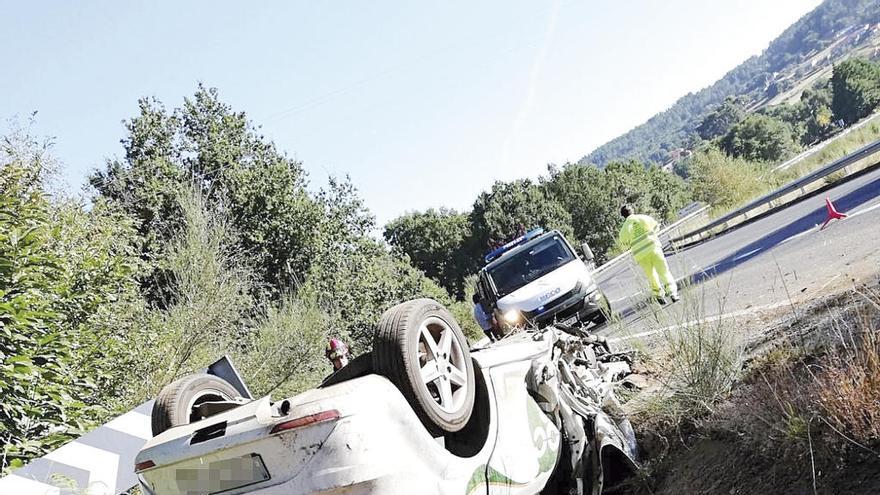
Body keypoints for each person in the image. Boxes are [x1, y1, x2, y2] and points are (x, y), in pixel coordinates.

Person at [617, 205, 679, 304]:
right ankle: (672, 293)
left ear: (623, 216)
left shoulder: (624, 229)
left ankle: (658, 295)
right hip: (654, 248)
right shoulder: (644, 217)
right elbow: (656, 228)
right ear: (633, 210)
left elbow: (624, 244)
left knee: (651, 275)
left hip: (640, 255)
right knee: (663, 271)